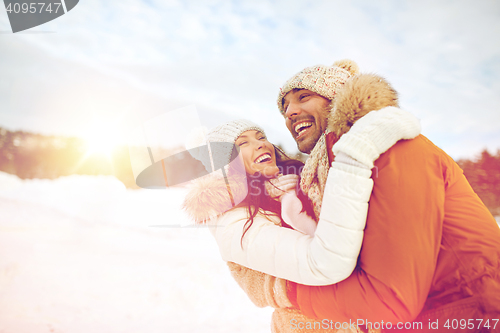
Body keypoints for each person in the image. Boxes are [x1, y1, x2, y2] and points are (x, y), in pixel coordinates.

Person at [265, 59, 500, 332]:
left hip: (473, 316)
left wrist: (285, 292)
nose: (290, 112)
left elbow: (390, 301)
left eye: (303, 97)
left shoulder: (390, 147)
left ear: (336, 98)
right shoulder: (334, 172)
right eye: (284, 107)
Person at [183, 108, 420, 332]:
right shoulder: (233, 221)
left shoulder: (296, 184)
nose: (260, 144)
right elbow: (323, 260)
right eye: (243, 143)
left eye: (260, 136)